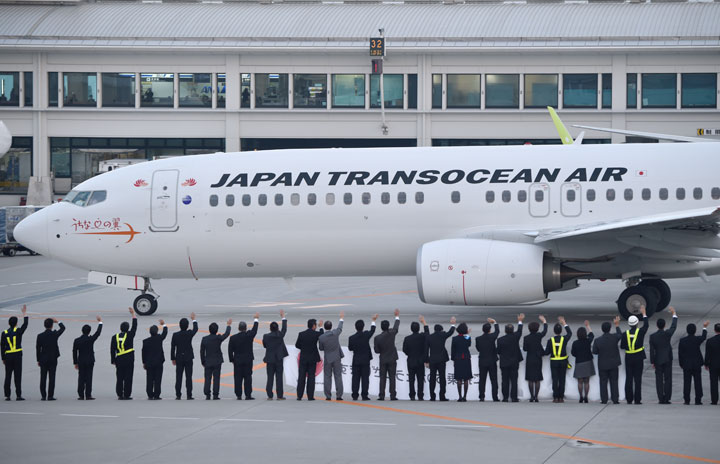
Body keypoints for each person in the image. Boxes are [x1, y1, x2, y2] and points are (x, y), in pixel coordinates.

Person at [620, 306, 649, 404]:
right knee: (637, 379)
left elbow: (622, 346)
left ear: (629, 324)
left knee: (629, 378)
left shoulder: (625, 334)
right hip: (638, 357)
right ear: (637, 324)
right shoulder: (640, 332)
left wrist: (616, 326)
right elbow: (646, 326)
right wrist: (644, 314)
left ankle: (629, 399)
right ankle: (637, 399)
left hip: (628, 357)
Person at [649, 307, 678, 404]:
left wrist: (652, 361)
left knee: (659, 380)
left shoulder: (652, 336)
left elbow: (651, 350)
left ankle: (660, 398)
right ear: (664, 325)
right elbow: (673, 326)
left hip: (658, 359)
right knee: (668, 379)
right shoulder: (667, 334)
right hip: (667, 358)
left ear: (657, 326)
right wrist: (674, 314)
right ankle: (667, 398)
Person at [228, 313, 260, 400]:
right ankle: (248, 394)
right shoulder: (249, 335)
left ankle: (238, 394)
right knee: (248, 377)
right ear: (246, 328)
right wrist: (256, 319)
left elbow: (230, 350)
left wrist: (232, 360)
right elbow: (255, 330)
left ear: (238, 328)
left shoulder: (233, 338)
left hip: (237, 360)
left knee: (237, 378)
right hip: (248, 360)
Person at [592, 316, 622, 404]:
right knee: (614, 381)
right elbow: (620, 335)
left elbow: (595, 352)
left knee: (603, 382)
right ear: (610, 329)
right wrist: (617, 325)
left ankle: (604, 399)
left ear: (602, 329)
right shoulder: (614, 337)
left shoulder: (597, 340)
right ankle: (615, 399)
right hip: (613, 363)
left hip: (603, 364)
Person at [200, 318, 232, 400]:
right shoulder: (218, 338)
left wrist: (203, 361)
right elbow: (226, 334)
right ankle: (215, 394)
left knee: (207, 378)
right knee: (216, 378)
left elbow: (202, 351)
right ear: (217, 330)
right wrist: (228, 325)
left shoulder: (205, 339)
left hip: (208, 361)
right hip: (217, 360)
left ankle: (207, 394)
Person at [678, 320, 709, 405]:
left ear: (687, 331)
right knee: (698, 382)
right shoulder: (697, 339)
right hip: (696, 364)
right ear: (695, 331)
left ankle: (686, 399)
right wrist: (704, 327)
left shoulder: (682, 341)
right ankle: (698, 399)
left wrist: (681, 363)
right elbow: (703, 337)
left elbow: (680, 354)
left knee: (687, 382)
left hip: (686, 364)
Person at [348, 314, 378, 401]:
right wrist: (373, 320)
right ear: (363, 327)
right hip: (365, 360)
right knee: (365, 379)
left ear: (355, 327)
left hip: (356, 360)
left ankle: (355, 395)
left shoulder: (351, 338)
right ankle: (364, 395)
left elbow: (350, 348)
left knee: (355, 378)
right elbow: (372, 330)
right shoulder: (366, 335)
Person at [2, 305, 28, 401]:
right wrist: (24, 313)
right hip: (17, 355)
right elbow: (25, 325)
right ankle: (18, 395)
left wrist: (3, 358)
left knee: (8, 375)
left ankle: (7, 395)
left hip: (8, 355)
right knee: (17, 375)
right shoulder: (18, 331)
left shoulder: (4, 333)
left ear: (9, 323)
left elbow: (2, 347)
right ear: (16, 323)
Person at [72, 316, 102, 400]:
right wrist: (100, 322)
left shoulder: (77, 340)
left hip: (81, 360)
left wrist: (75, 362)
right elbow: (98, 333)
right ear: (89, 332)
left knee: (81, 377)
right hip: (90, 360)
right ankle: (88, 394)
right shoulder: (91, 339)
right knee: (89, 377)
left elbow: (74, 351)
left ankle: (81, 394)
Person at [496, 313, 525, 402]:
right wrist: (520, 321)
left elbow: (498, 351)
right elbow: (519, 331)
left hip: (504, 363)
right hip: (514, 362)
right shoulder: (515, 337)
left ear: (505, 331)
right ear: (513, 330)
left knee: (504, 381)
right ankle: (514, 398)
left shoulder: (500, 340)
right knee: (514, 381)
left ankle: (505, 398)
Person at [36, 317, 66, 401]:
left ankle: (43, 395)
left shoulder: (40, 336)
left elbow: (38, 349)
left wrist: (38, 359)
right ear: (52, 326)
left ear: (44, 325)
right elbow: (63, 328)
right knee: (52, 377)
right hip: (53, 358)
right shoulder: (54, 334)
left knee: (43, 377)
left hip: (43, 359)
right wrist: (58, 321)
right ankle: (50, 395)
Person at [374, 309, 401, 401]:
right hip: (392, 358)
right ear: (388, 327)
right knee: (392, 377)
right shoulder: (392, 333)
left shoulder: (377, 338)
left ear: (381, 327)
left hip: (383, 359)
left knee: (382, 378)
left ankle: (381, 395)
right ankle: (392, 395)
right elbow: (396, 327)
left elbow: (376, 351)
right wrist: (397, 316)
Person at [111, 308, 137, 400]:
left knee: (119, 377)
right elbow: (134, 326)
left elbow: (112, 349)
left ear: (120, 328)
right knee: (128, 377)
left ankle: (119, 394)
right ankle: (127, 394)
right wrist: (133, 314)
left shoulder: (115, 337)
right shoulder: (130, 335)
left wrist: (113, 360)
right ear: (127, 329)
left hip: (119, 359)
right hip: (129, 358)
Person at [295, 317, 324, 401]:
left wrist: (303, 348)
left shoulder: (301, 334)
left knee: (301, 377)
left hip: (303, 358)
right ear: (314, 326)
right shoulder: (316, 334)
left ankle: (299, 395)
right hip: (312, 359)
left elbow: (297, 345)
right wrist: (321, 327)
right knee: (311, 377)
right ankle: (310, 396)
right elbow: (322, 335)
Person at [427, 316, 456, 402]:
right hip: (441, 360)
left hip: (432, 359)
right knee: (442, 378)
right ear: (441, 330)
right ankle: (442, 396)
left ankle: (432, 396)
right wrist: (453, 324)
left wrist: (426, 360)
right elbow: (450, 332)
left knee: (432, 378)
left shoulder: (429, 337)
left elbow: (426, 350)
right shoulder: (443, 335)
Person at [170, 313, 198, 400]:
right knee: (188, 377)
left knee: (179, 377)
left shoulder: (175, 335)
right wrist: (194, 319)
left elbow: (172, 347)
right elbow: (196, 329)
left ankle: (178, 395)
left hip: (179, 357)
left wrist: (173, 358)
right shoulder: (189, 333)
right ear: (187, 326)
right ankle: (189, 394)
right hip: (188, 357)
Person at [319, 312, 345, 401]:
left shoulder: (321, 337)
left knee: (327, 377)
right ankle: (339, 395)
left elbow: (321, 348)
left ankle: (328, 396)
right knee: (338, 376)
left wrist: (320, 327)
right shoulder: (335, 333)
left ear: (325, 327)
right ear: (331, 327)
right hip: (337, 357)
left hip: (328, 358)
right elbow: (340, 328)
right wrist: (341, 318)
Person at [545, 317, 572, 403]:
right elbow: (570, 333)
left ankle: (555, 397)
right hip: (563, 361)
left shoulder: (550, 340)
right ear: (561, 331)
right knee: (562, 379)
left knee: (555, 379)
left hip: (554, 362)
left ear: (554, 331)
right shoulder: (564, 339)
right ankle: (561, 397)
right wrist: (564, 323)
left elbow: (546, 352)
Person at [402, 316, 429, 401]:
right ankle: (420, 395)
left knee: (411, 379)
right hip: (420, 361)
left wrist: (409, 354)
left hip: (411, 360)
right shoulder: (422, 337)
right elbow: (427, 333)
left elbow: (404, 350)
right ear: (418, 329)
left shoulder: (407, 338)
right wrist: (424, 322)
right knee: (420, 379)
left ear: (411, 329)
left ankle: (412, 395)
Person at [262, 310, 288, 400]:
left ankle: (269, 394)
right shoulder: (280, 335)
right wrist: (283, 317)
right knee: (279, 377)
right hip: (279, 358)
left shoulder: (266, 336)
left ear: (270, 328)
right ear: (277, 328)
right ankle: (280, 395)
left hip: (270, 359)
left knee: (270, 377)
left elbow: (265, 345)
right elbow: (284, 329)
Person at [523, 315, 548, 402]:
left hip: (530, 359)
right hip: (538, 358)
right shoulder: (538, 336)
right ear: (537, 329)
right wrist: (544, 321)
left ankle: (531, 396)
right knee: (537, 379)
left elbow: (525, 349)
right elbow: (545, 331)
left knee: (530, 379)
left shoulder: (526, 338)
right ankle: (536, 397)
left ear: (529, 329)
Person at [141, 319, 168, 400]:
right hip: (158, 362)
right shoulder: (159, 338)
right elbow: (165, 333)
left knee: (149, 379)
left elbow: (143, 353)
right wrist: (164, 325)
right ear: (157, 331)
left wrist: (144, 362)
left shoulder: (145, 341)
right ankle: (157, 394)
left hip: (149, 363)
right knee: (158, 379)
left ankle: (150, 394)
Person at [570, 321, 595, 403]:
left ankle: (581, 397)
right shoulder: (588, 341)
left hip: (579, 363)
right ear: (585, 334)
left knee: (580, 381)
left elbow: (573, 353)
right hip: (588, 362)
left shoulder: (575, 343)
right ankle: (586, 397)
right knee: (587, 381)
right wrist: (588, 326)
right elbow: (592, 335)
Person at [475, 317, 498, 402]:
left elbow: (478, 349)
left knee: (482, 380)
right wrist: (495, 322)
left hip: (482, 360)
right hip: (492, 361)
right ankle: (495, 397)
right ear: (489, 330)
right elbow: (497, 331)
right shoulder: (492, 337)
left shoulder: (478, 339)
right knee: (494, 380)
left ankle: (481, 396)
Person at [451, 322, 472, 402]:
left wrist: (453, 359)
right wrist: (467, 334)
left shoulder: (455, 338)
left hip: (458, 359)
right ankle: (465, 396)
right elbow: (469, 344)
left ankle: (459, 396)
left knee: (459, 378)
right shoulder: (467, 338)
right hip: (466, 359)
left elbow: (453, 350)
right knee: (466, 378)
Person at [705, 323, 720, 405]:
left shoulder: (710, 341)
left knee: (713, 383)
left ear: (714, 330)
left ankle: (714, 400)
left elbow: (708, 354)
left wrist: (706, 364)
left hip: (713, 365)